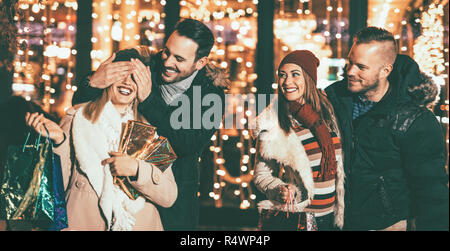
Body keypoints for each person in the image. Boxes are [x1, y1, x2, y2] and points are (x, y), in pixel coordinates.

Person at [72, 18, 229, 230]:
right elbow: (85, 107)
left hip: (174, 200)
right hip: (125, 196)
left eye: (179, 59)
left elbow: (185, 145)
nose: (167, 62)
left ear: (200, 63)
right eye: (167, 51)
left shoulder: (211, 95)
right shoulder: (148, 64)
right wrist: (91, 82)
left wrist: (149, 101)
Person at [25, 49, 178, 230]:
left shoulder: (148, 128)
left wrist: (137, 169)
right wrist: (59, 142)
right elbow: (53, 190)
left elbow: (169, 197)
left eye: (134, 77)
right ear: (107, 78)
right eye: (120, 74)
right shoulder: (77, 117)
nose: (127, 82)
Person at [325, 27, 449, 231]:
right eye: (350, 62)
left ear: (386, 71)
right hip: (340, 222)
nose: (350, 71)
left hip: (388, 224)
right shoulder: (335, 102)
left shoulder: (414, 119)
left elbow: (431, 190)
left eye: (361, 67)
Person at [253, 50, 345, 231]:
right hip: (299, 219)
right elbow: (261, 175)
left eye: (295, 74)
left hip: (331, 218)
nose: (287, 82)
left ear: (309, 79)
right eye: (282, 75)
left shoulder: (328, 111)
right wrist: (280, 189)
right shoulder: (272, 122)